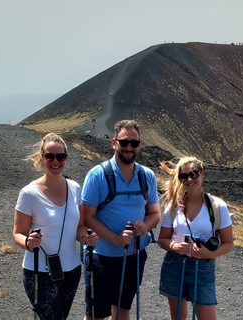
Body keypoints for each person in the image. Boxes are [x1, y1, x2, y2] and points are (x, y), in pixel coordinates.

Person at [82, 119, 161, 320]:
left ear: (140, 146)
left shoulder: (147, 176)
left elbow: (154, 214)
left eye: (134, 143)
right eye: (124, 142)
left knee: (123, 309)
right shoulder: (97, 176)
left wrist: (145, 226)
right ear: (114, 143)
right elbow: (87, 218)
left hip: (134, 256)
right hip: (102, 256)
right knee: (96, 314)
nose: (129, 148)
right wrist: (116, 239)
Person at [12, 133, 97, 320]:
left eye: (61, 156)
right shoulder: (28, 194)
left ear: (66, 158)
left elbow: (80, 226)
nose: (55, 161)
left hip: (72, 270)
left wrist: (87, 238)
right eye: (49, 156)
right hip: (39, 272)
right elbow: (18, 233)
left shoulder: (74, 188)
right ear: (42, 158)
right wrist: (27, 242)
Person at [157, 157, 234, 320]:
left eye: (194, 174)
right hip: (175, 265)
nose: (189, 179)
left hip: (204, 268)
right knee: (178, 316)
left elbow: (228, 243)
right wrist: (174, 246)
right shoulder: (173, 206)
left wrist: (208, 254)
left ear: (203, 174)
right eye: (184, 176)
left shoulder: (218, 206)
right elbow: (162, 239)